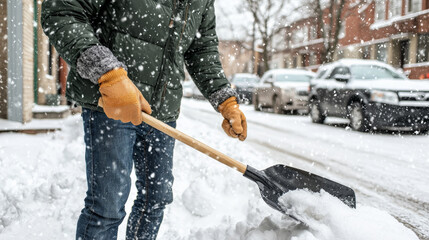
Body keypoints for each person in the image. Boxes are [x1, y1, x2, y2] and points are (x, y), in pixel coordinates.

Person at [41, 0, 247, 239]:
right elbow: (63, 11)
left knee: (156, 199)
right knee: (107, 207)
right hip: (112, 105)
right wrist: (107, 72)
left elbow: (202, 50)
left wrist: (225, 99)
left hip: (163, 113)